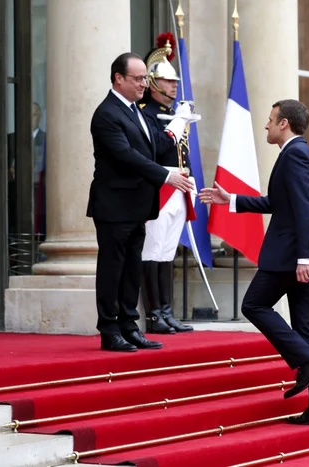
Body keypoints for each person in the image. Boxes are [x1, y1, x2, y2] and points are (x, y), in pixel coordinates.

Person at [199, 99, 309, 425]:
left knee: (254, 305)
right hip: (301, 253)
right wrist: (229, 199)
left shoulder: (296, 155)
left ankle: (305, 360)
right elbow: (277, 202)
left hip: (294, 256)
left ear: (284, 123)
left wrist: (304, 256)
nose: (267, 125)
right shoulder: (300, 154)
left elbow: (304, 208)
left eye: (271, 119)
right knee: (306, 327)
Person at [87, 52, 198, 352]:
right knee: (113, 269)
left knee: (131, 269)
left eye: (144, 79)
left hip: (137, 205)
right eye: (137, 79)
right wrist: (165, 176)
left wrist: (177, 125)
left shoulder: (137, 110)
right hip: (114, 205)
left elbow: (155, 146)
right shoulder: (107, 113)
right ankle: (109, 329)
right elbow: (127, 157)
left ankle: (129, 325)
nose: (142, 84)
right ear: (118, 79)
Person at [137, 33, 194, 334]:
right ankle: (153, 315)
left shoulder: (174, 114)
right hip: (158, 187)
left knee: (168, 251)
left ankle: (167, 311)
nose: (173, 86)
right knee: (153, 249)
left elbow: (182, 153)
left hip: (179, 187)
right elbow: (158, 147)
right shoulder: (146, 114)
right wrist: (178, 121)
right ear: (153, 83)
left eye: (174, 82)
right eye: (168, 81)